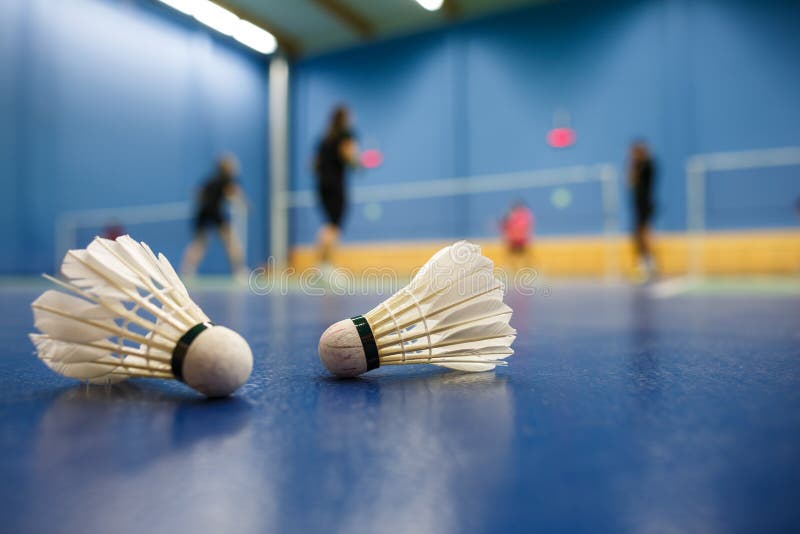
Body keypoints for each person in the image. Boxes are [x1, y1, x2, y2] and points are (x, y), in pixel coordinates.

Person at [181, 154, 247, 279]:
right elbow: (234, 194)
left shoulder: (210, 180)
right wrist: (244, 203)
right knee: (231, 242)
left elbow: (197, 192)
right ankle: (239, 271)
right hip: (215, 213)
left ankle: (187, 270)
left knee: (199, 243)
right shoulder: (228, 179)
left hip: (203, 213)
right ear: (228, 167)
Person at [314, 105, 359, 268]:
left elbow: (312, 164)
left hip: (321, 186)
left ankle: (321, 266)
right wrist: (359, 164)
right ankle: (326, 267)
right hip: (335, 186)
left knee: (328, 225)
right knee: (334, 226)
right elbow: (349, 156)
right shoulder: (345, 135)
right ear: (344, 118)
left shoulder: (324, 139)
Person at [628, 140, 656, 280]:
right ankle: (644, 264)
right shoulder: (637, 164)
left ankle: (648, 265)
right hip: (639, 204)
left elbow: (631, 179)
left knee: (642, 234)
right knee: (638, 235)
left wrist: (633, 165)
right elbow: (630, 182)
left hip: (645, 204)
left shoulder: (647, 165)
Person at [501, 200, 535, 272]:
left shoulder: (514, 215)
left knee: (520, 255)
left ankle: (524, 269)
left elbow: (507, 226)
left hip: (518, 238)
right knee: (516, 255)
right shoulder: (523, 215)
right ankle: (521, 269)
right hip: (517, 238)